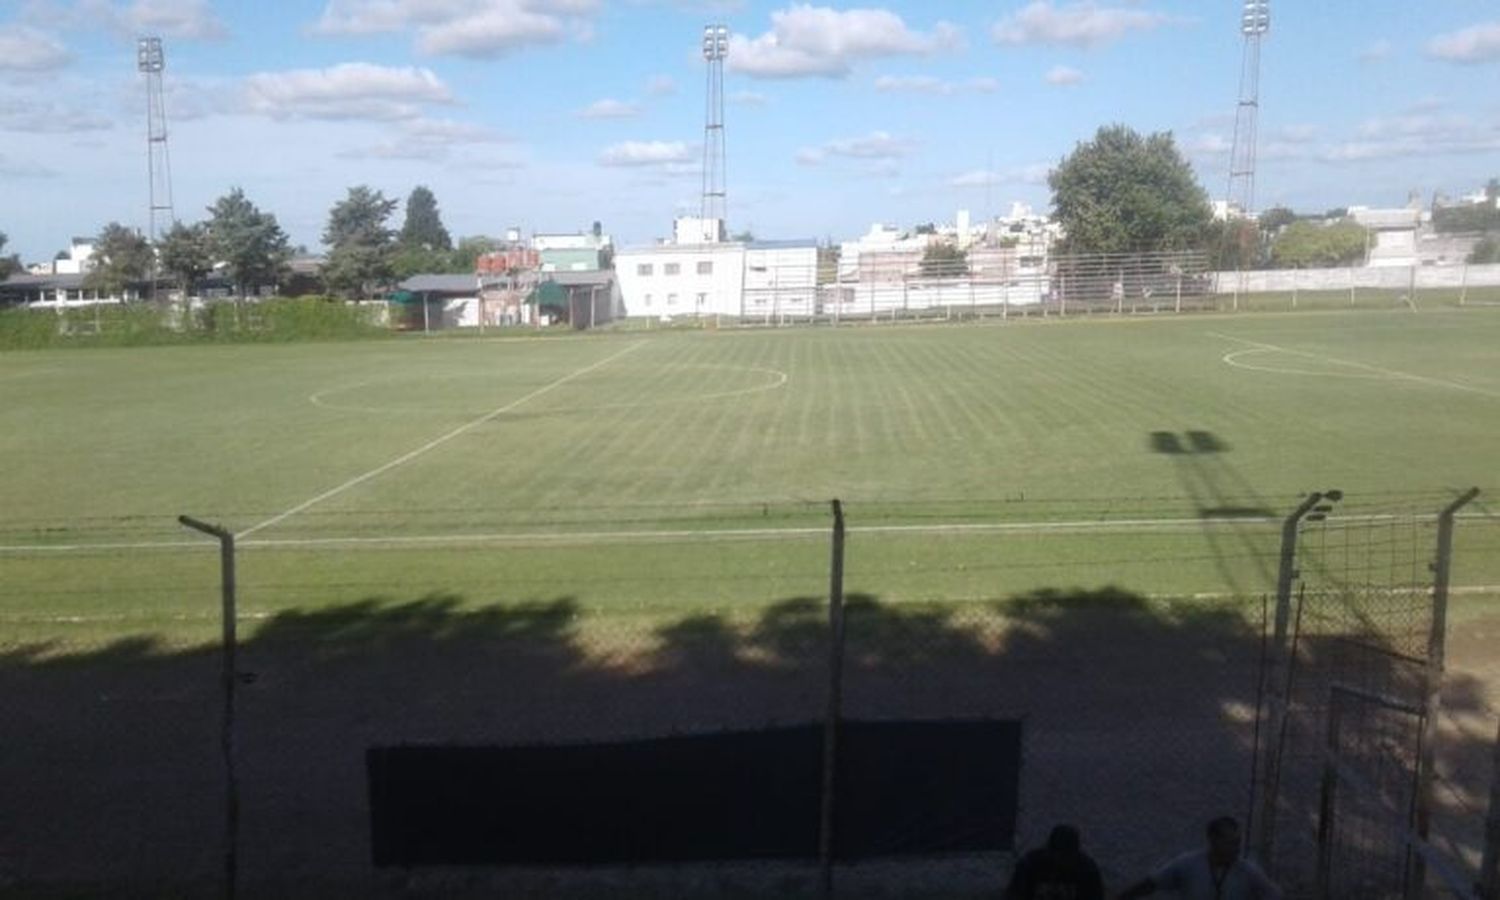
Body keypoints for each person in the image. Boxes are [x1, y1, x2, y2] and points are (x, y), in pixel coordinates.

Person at [1117, 816, 1281, 900]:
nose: (1237, 849)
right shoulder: (1188, 865)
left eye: (1238, 843)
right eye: (1231, 843)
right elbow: (1152, 883)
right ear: (1213, 840)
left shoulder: (1248, 872)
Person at [1005, 824, 1105, 900]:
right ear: (1050, 851)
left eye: (1068, 856)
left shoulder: (1087, 869)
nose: (1064, 861)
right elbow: (1014, 895)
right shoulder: (1030, 865)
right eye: (1061, 855)